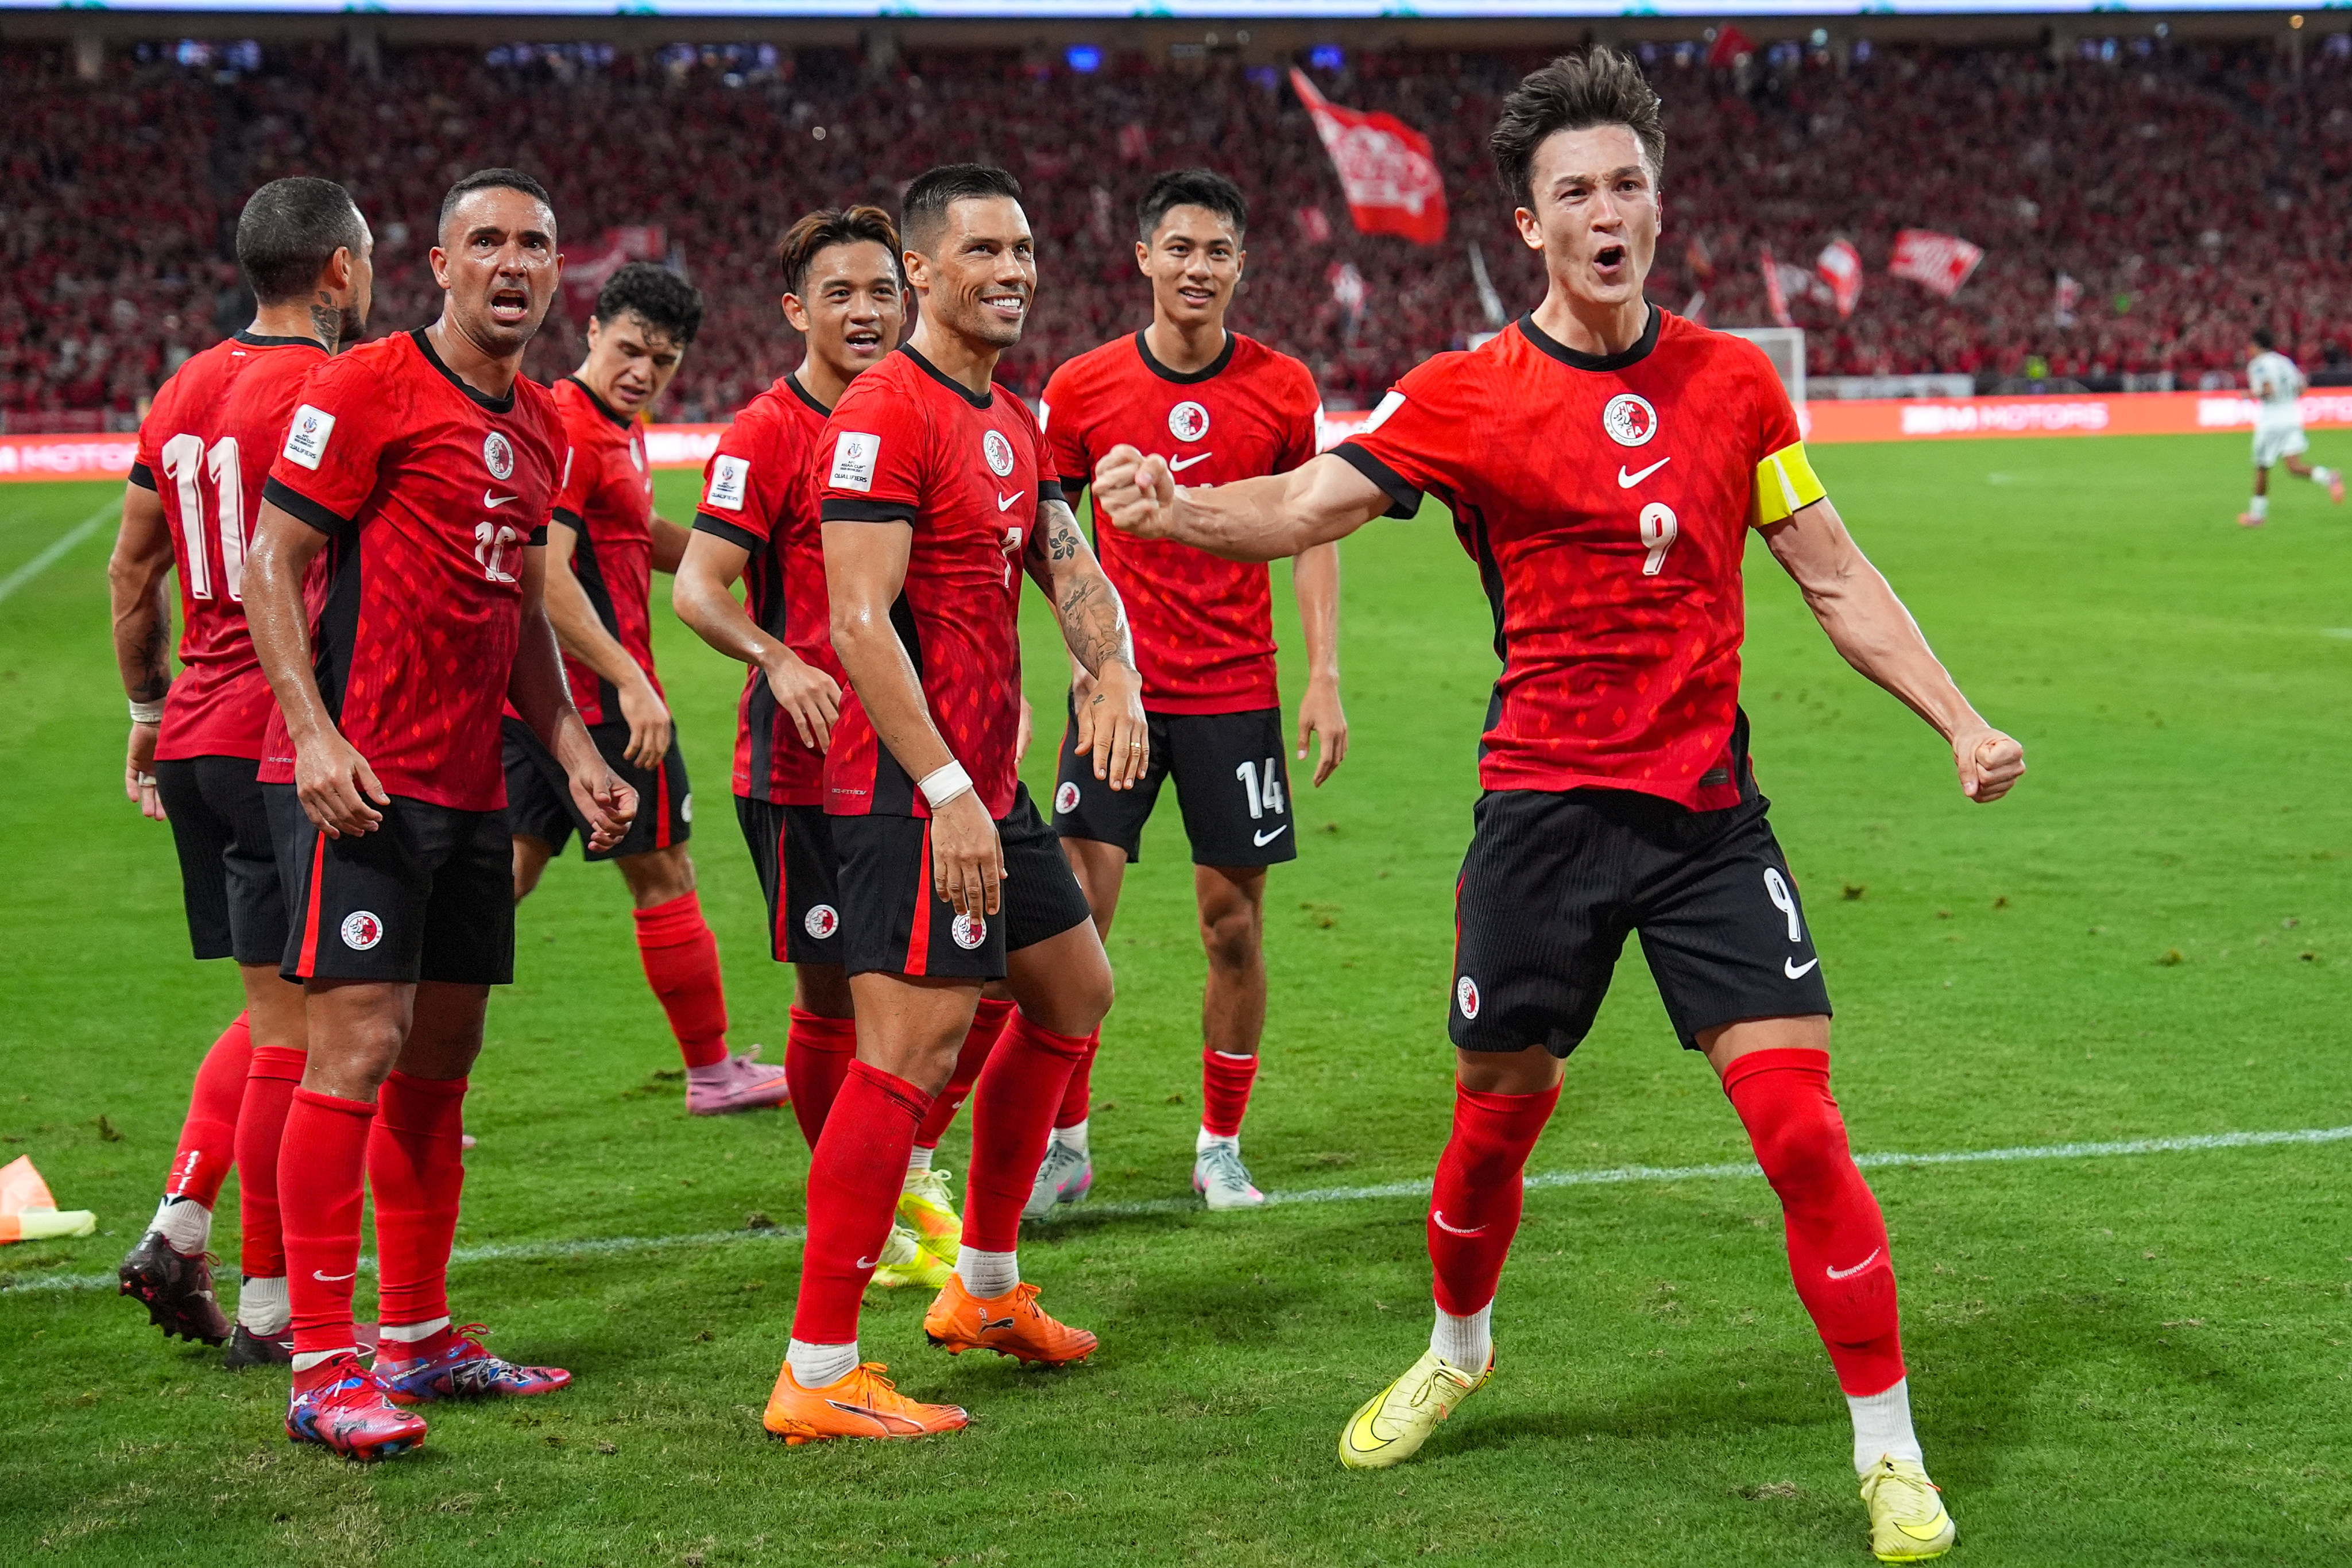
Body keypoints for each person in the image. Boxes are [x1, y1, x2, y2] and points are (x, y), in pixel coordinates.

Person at [1091, 51, 2026, 1562]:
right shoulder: (1465, 396)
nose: (1608, 211)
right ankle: (1459, 1348)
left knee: (1798, 1124)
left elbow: (1836, 577)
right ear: (1527, 225)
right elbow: (1309, 503)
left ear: (1660, 207)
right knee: (1493, 1123)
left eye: (1628, 183)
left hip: (1709, 819)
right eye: (1574, 191)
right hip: (1540, 822)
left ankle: (1891, 1448)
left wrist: (1962, 719)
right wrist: (1184, 510)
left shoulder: (1737, 382)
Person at [244, 168, 633, 1461]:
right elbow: (273, 562)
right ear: (437, 264)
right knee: (352, 1051)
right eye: (489, 243)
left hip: (472, 787)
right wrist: (309, 732)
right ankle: (318, 1363)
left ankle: (416, 1335)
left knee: (438, 1068)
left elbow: (521, 607)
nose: (515, 263)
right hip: (363, 779)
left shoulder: (547, 432)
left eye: (536, 242)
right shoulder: (363, 388)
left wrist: (571, 741)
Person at [759, 164, 1147, 1444]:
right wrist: (944, 793)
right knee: (908, 1056)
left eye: (1025, 248)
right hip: (900, 787)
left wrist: (1115, 673)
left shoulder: (1006, 412)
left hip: (983, 780)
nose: (1014, 270)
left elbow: (1061, 557)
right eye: (983, 250)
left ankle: (981, 1292)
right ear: (920, 270)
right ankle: (815, 1371)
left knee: (1072, 992)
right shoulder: (884, 409)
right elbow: (860, 625)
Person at [674, 204, 988, 1288]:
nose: (865, 311)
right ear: (795, 310)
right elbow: (695, 587)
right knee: (829, 997)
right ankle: (854, 1206)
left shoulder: (924, 407)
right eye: (838, 294)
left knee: (973, 985)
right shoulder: (769, 429)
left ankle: (908, 1172)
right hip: (803, 759)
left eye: (879, 291)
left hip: (911, 751)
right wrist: (776, 656)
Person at [1032, 167, 1344, 1215]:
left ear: (1241, 266)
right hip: (1115, 697)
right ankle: (1064, 1143)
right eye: (1180, 247)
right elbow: (1051, 543)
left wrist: (1324, 678)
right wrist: (1084, 670)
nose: (1197, 267)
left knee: (1233, 930)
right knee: (1078, 923)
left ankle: (1219, 1145)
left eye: (1217, 251)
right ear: (1143, 259)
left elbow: (1312, 533)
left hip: (1232, 693)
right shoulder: (1078, 391)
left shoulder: (1285, 388)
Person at [107, 177, 374, 1366]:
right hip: (286, 732)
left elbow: (131, 572)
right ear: (338, 271)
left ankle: (182, 1228)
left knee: (277, 1021)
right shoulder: (327, 390)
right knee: (308, 1045)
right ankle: (272, 1315)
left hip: (198, 731)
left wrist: (144, 707)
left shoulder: (179, 388)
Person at [506, 262, 782, 1114]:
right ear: (592, 333)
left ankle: (406, 1082)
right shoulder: (570, 426)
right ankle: (710, 1071)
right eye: (629, 349)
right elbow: (543, 570)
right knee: (664, 869)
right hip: (593, 700)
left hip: (537, 700)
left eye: (661, 360)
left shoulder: (613, 426)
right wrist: (630, 678)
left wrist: (744, 549)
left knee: (491, 885)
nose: (643, 370)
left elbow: (638, 533)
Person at [2238, 327, 2343, 528]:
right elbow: (2302, 388)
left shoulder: (2258, 365)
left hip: (2272, 423)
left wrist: (2249, 395)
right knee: (2293, 466)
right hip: (2293, 418)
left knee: (2262, 467)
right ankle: (2329, 477)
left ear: (2257, 346)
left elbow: (2268, 390)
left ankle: (2257, 515)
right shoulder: (2284, 362)